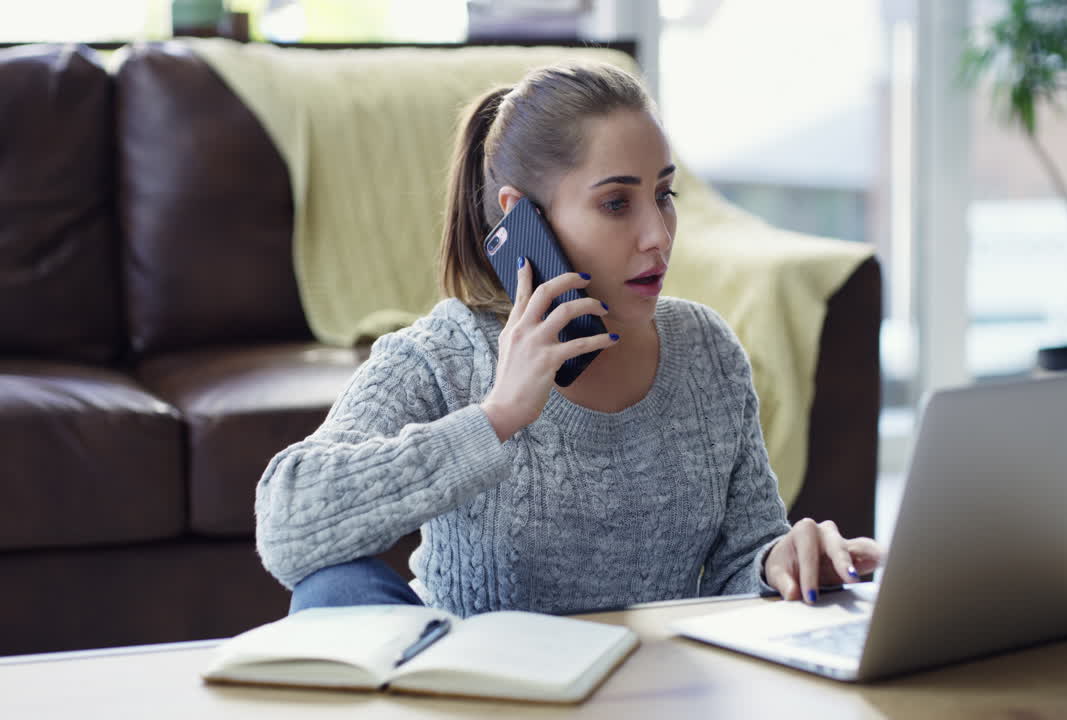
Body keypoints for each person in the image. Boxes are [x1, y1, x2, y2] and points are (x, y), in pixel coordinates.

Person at [255, 61, 883, 617]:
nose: (658, 235)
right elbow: (287, 524)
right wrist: (497, 416)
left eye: (664, 196)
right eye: (616, 204)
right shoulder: (443, 353)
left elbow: (737, 562)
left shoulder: (707, 351)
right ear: (522, 215)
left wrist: (780, 564)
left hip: (648, 688)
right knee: (333, 589)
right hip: (482, 690)